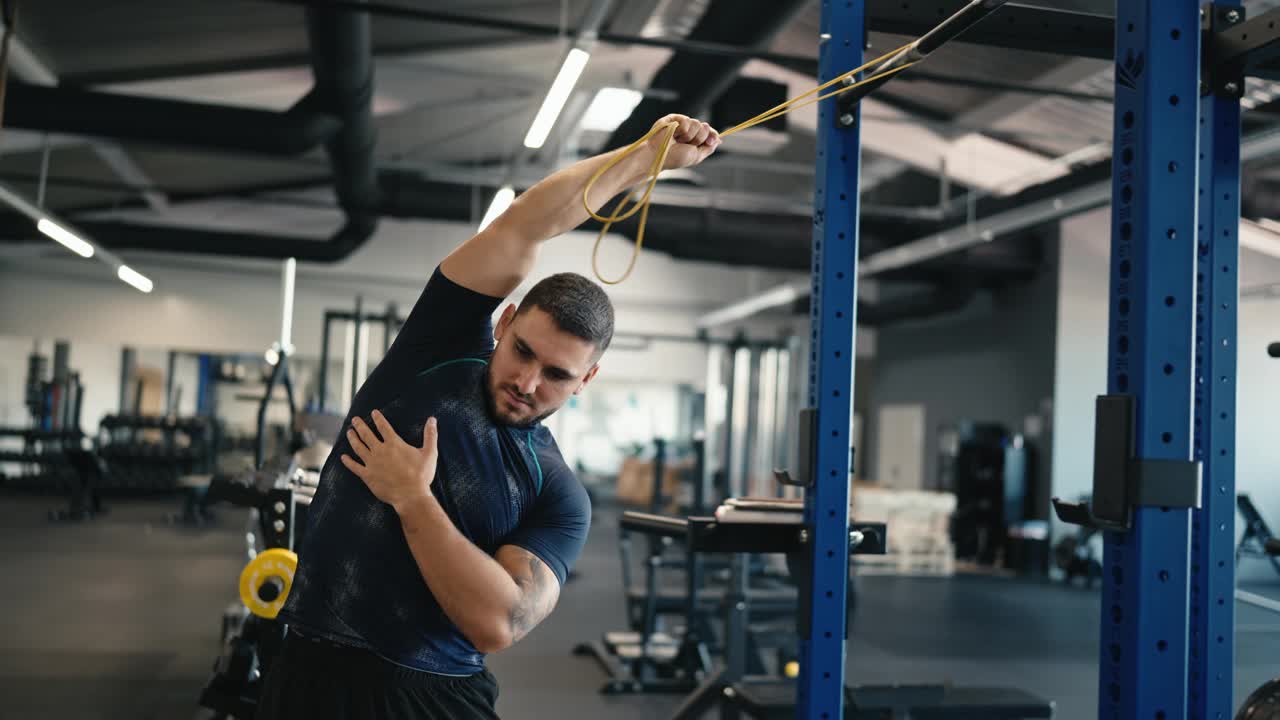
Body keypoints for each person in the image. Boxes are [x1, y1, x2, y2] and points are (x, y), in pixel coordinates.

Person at [255, 114, 721, 719]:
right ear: (503, 324)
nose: (527, 382)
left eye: (557, 375)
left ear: (587, 381)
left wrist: (412, 499)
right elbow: (524, 225)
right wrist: (642, 159)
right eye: (523, 351)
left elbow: (498, 621)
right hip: (307, 677)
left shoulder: (558, 493)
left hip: (435, 698)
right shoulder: (438, 347)